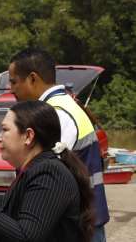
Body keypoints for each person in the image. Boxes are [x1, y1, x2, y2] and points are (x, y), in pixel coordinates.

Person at [7, 48, 109, 241]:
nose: (11, 90)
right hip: (82, 218)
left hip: (77, 226)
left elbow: (45, 172)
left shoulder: (57, 114)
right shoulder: (63, 105)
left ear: (33, 79)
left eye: (13, 82)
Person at [0, 101, 95, 242]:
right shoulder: (32, 169)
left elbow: (25, 237)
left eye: (5, 130)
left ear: (28, 136)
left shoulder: (49, 173)